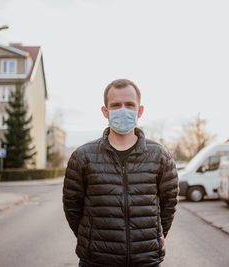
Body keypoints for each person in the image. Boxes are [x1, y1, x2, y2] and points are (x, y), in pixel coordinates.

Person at [63, 79, 179, 267]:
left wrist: (148, 241)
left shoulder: (159, 155)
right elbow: (72, 207)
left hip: (146, 260)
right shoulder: (83, 156)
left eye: (130, 105)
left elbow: (168, 205)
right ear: (105, 111)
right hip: (96, 261)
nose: (123, 109)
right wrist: (93, 240)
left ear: (139, 111)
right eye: (116, 105)